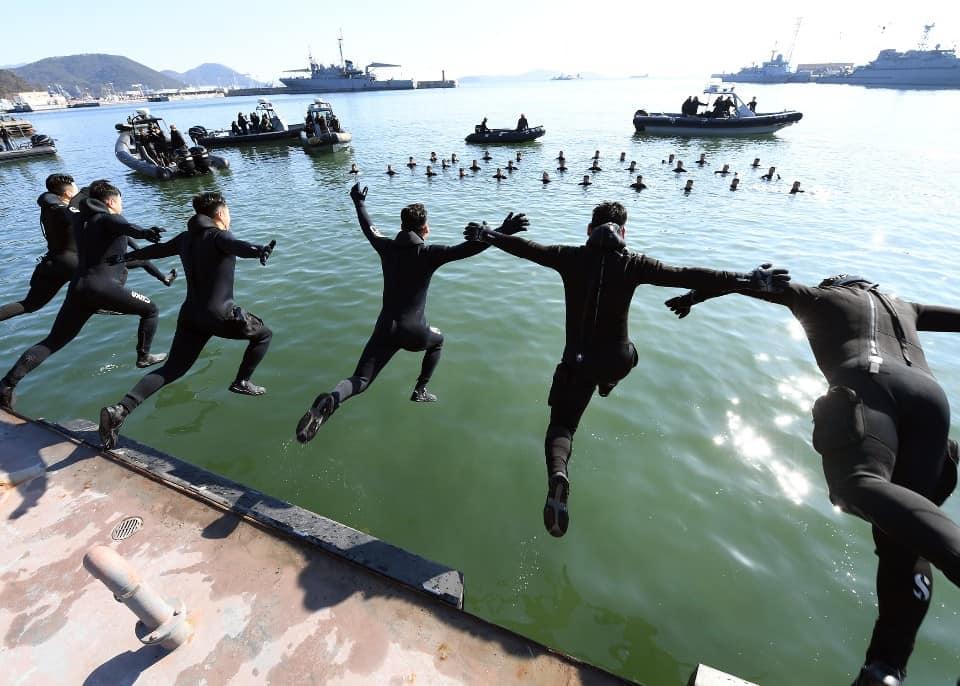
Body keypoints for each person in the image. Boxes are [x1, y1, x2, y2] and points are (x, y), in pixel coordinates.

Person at [664, 274, 960, 686]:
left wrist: (695, 296)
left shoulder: (820, 297)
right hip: (932, 400)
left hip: (871, 381)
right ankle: (887, 667)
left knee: (856, 484)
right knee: (904, 538)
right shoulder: (905, 305)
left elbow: (746, 282)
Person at [461, 202, 789, 537]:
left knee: (562, 425)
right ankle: (608, 384)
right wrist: (748, 279)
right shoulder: (635, 264)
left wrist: (489, 234)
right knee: (630, 356)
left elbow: (529, 249)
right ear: (624, 232)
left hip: (577, 362)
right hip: (617, 360)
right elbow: (688, 274)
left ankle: (558, 475)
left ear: (589, 230)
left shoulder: (569, 257)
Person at [294, 185, 526, 443]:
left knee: (359, 379)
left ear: (403, 226)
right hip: (414, 331)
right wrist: (501, 232)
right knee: (438, 340)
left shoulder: (386, 246)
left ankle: (331, 400)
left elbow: (368, 226)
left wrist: (358, 201)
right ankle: (420, 389)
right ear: (424, 228)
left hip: (385, 328)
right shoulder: (428, 253)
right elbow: (467, 249)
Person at [98, 191, 276, 449]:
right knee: (264, 334)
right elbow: (237, 246)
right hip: (220, 314)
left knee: (172, 369)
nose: (229, 216)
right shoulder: (219, 235)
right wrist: (257, 249)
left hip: (191, 314)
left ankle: (120, 410)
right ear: (220, 213)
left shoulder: (185, 238)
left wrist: (125, 256)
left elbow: (158, 250)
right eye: (228, 211)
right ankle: (242, 381)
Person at [0, 180, 167, 411]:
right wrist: (146, 232)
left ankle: (7, 385)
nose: (121, 204)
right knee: (151, 309)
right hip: (103, 288)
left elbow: (73, 203)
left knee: (53, 341)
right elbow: (126, 226)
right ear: (111, 201)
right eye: (120, 200)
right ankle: (143, 356)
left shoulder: (80, 219)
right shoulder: (109, 218)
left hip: (78, 288)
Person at [1, 174, 80, 322]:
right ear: (68, 193)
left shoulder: (49, 205)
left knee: (30, 305)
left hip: (53, 263)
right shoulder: (62, 210)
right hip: (73, 264)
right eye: (77, 189)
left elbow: (44, 197)